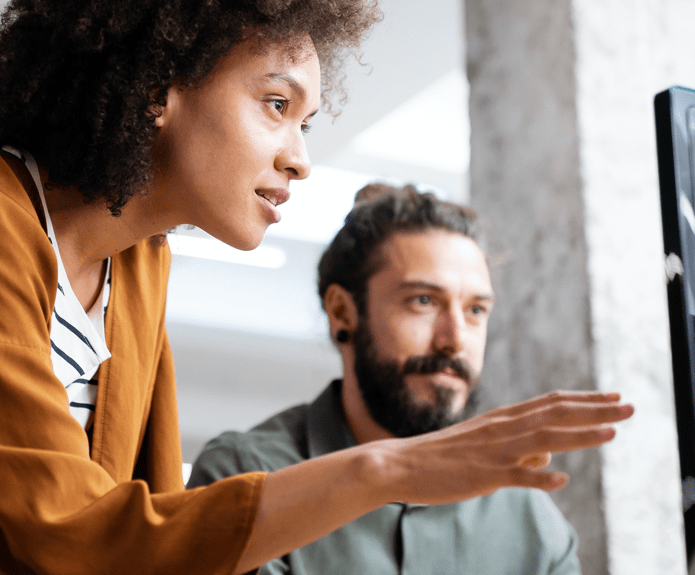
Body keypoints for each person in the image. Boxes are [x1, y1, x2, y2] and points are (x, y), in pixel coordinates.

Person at [0, 0, 633, 575]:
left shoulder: (140, 263)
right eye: (276, 105)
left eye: (307, 122)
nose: (299, 158)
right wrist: (383, 471)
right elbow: (84, 535)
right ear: (156, 84)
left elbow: (154, 528)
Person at [189, 184, 583, 574]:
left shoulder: (530, 516)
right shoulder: (243, 478)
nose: (456, 340)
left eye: (476, 309)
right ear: (343, 312)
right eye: (423, 301)